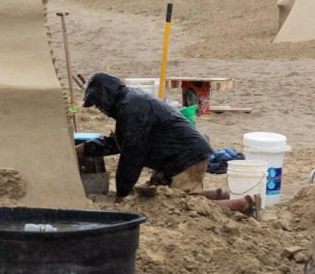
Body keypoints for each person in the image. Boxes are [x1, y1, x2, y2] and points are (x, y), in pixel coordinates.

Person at [76, 72, 260, 216]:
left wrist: (121, 195)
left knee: (184, 209)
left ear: (106, 97)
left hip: (186, 157)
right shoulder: (129, 103)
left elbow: (131, 156)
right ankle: (217, 196)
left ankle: (243, 204)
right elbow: (121, 142)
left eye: (98, 104)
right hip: (177, 156)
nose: (99, 110)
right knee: (162, 199)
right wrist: (86, 148)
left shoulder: (132, 108)